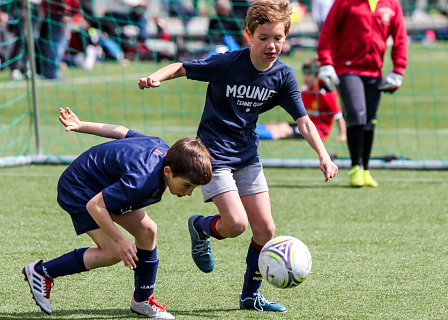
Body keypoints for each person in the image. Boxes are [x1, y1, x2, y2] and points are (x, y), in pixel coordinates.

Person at [138, 0, 338, 312]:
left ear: (286, 37)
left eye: (278, 38)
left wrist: (324, 156)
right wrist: (156, 77)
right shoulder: (228, 63)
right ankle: (201, 227)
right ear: (248, 35)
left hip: (247, 156)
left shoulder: (283, 76)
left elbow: (303, 121)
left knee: (266, 230)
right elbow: (182, 67)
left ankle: (250, 296)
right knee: (235, 225)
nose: (271, 45)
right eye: (263, 38)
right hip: (213, 155)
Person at [22, 107, 213, 319]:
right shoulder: (142, 180)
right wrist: (121, 240)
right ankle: (42, 272)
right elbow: (94, 206)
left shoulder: (164, 150)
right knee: (112, 251)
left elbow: (121, 131)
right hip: (79, 188)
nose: (188, 193)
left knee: (148, 230)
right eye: (187, 185)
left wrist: (81, 125)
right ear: (168, 171)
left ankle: (142, 300)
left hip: (105, 185)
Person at [317, 0, 408, 187]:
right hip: (347, 69)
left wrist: (399, 69)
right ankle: (355, 167)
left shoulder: (392, 4)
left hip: (374, 72)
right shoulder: (344, 2)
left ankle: (366, 169)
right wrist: (326, 62)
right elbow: (328, 31)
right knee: (357, 115)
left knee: (370, 120)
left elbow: (400, 37)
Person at [256, 60, 347, 141]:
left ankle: (255, 135)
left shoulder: (325, 94)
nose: (305, 79)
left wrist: (343, 135)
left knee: (283, 131)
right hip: (305, 126)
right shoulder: (305, 91)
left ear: (317, 76)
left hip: (317, 132)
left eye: (308, 75)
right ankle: (251, 131)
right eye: (304, 75)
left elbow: (338, 116)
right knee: (276, 125)